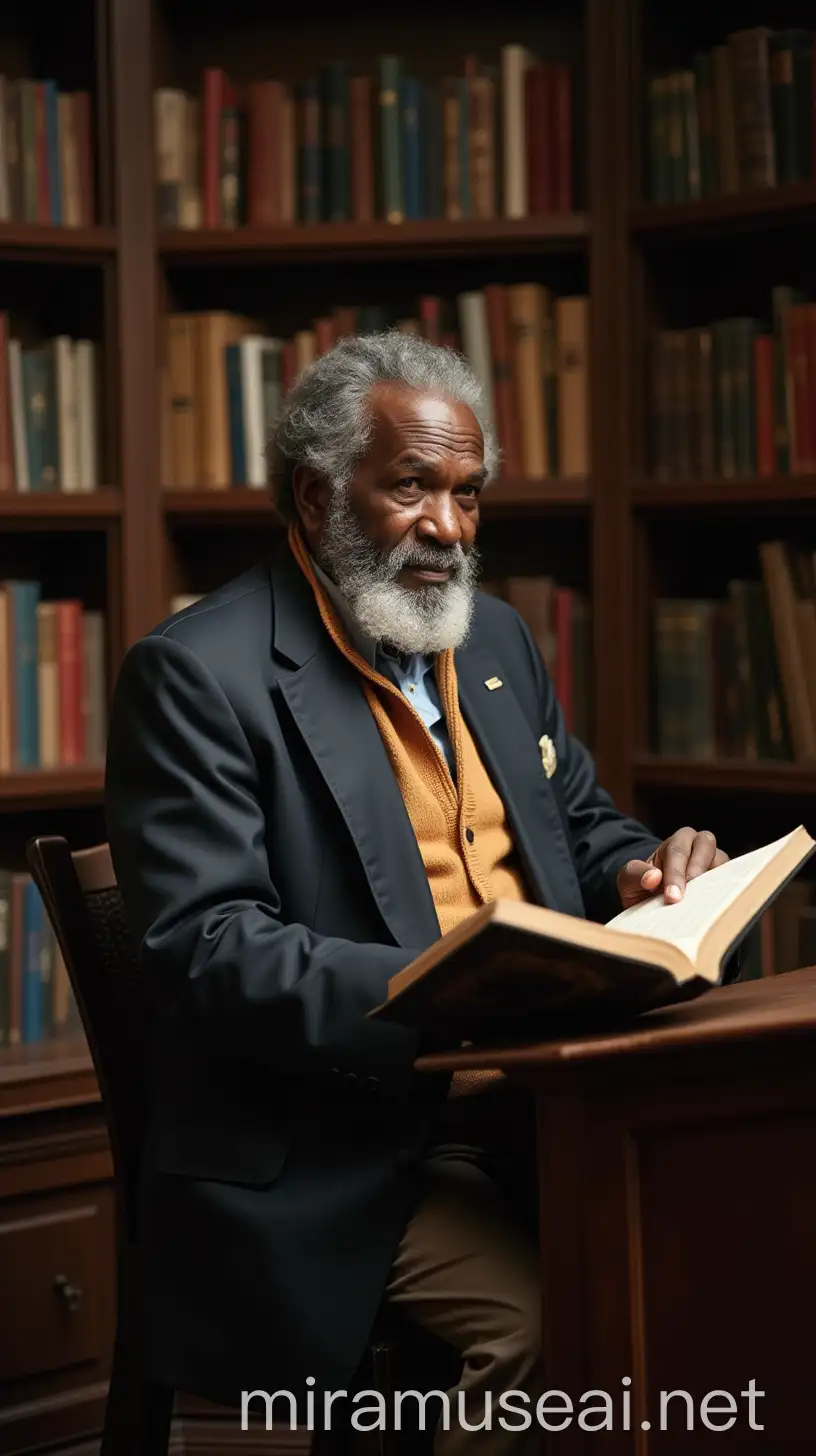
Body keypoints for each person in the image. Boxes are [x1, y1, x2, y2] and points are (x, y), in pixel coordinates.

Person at [104, 331, 729, 1452]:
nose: (447, 527)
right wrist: (452, 991)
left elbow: (577, 825)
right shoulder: (198, 673)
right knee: (552, 1332)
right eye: (411, 488)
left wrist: (645, 866)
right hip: (338, 1144)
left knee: (723, 1258)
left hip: (541, 1103)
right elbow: (210, 948)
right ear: (314, 490)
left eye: (468, 493)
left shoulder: (491, 638)